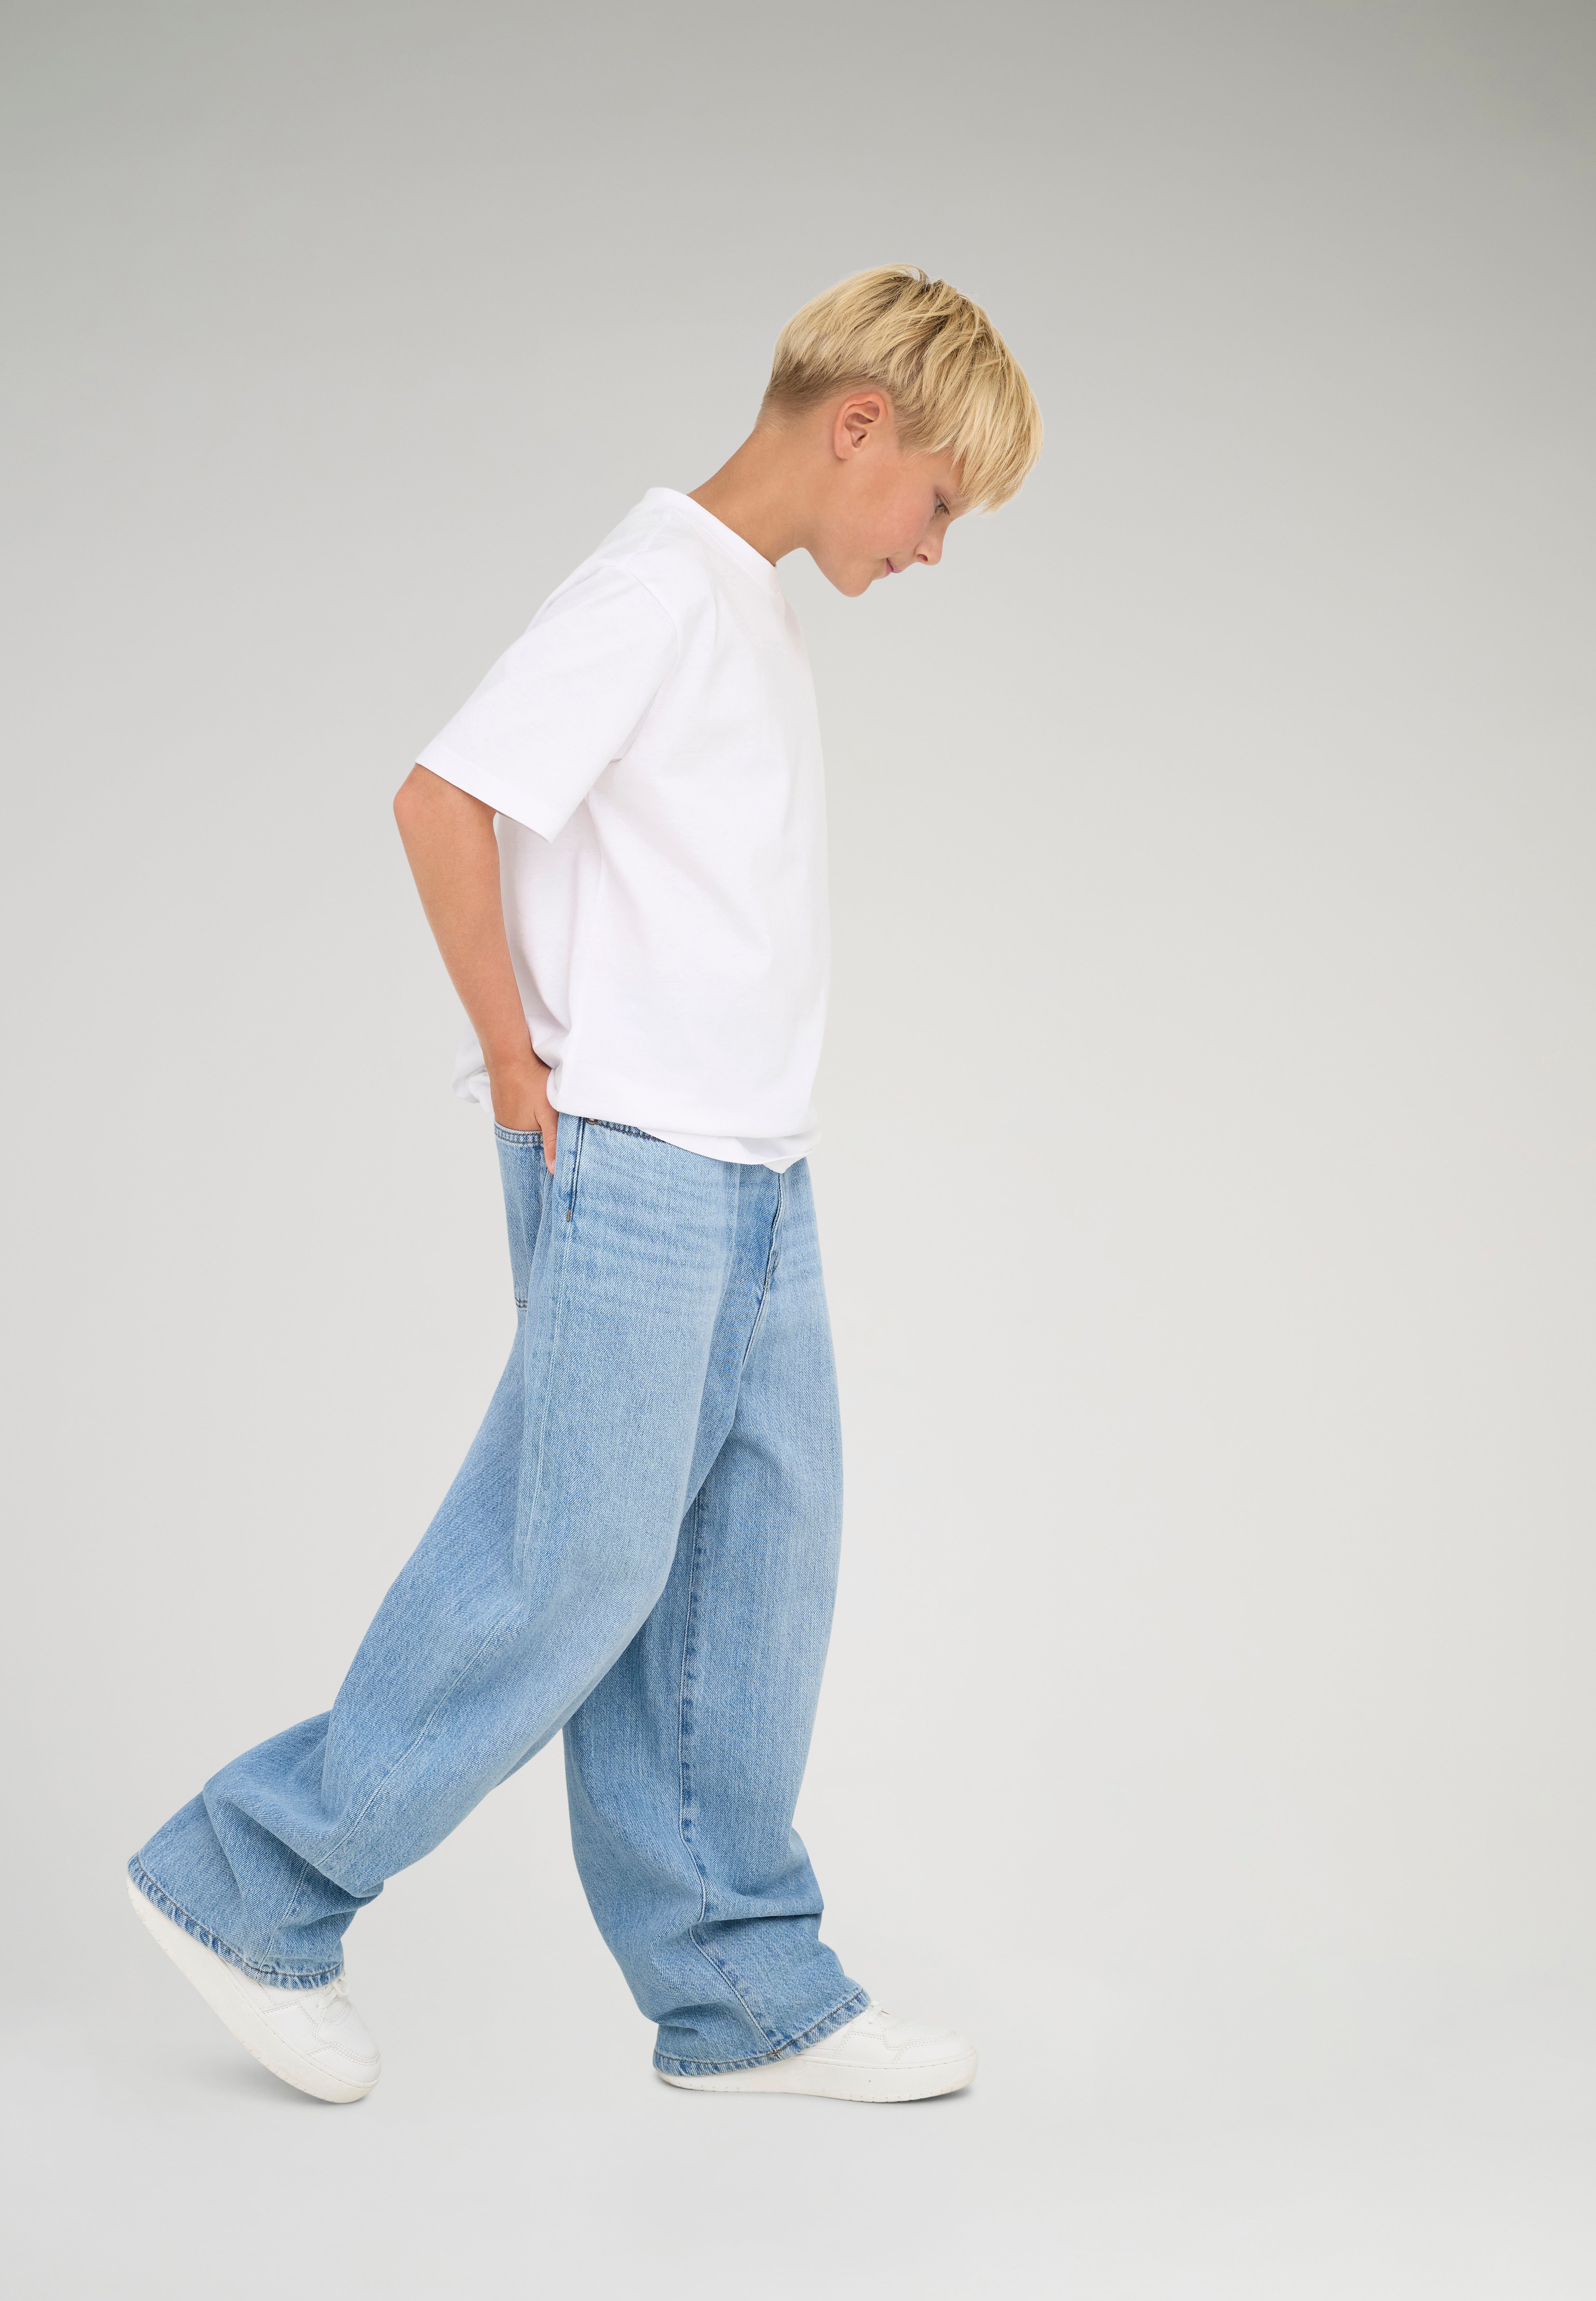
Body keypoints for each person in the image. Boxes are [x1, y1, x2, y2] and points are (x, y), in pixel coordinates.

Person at [126, 264, 1040, 2106]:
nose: (936, 549)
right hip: (631, 1159)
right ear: (861, 426)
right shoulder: (658, 587)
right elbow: (440, 800)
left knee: (754, 1567)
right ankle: (251, 1884)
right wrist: (518, 1066)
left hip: (755, 1174)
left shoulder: (745, 609)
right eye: (941, 502)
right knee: (570, 1564)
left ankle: (738, 1993)